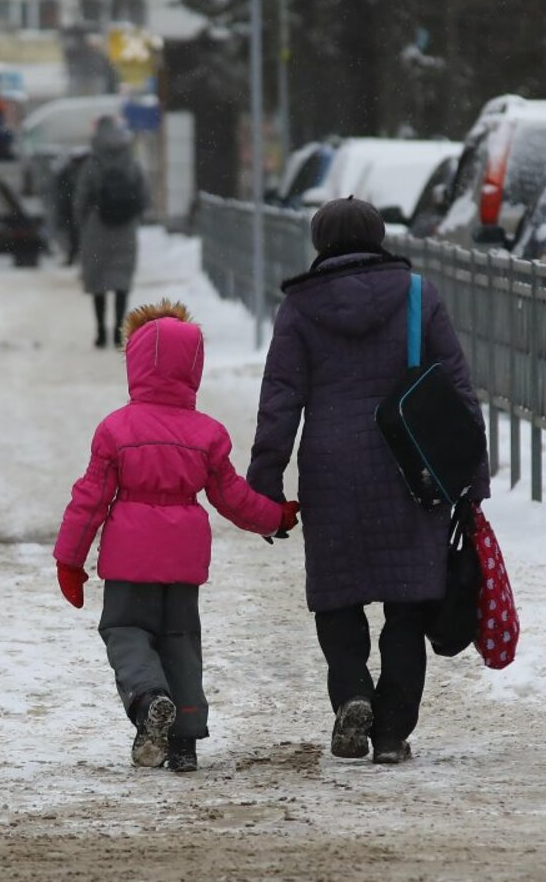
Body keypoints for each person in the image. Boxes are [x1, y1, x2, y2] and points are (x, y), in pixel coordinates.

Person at [246, 196, 490, 765]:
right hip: (410, 466)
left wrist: (264, 484)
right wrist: (471, 478)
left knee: (338, 596)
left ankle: (352, 692)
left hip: (332, 470)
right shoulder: (416, 296)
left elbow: (280, 400)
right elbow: (456, 388)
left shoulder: (300, 308)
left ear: (319, 244)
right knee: (407, 604)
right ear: (381, 236)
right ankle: (391, 731)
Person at [53, 301, 299, 773]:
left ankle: (149, 701)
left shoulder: (116, 430)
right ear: (194, 368)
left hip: (131, 558)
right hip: (184, 559)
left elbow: (90, 500)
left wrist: (70, 559)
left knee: (125, 631)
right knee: (181, 640)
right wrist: (275, 518)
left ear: (136, 362)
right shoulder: (207, 434)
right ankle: (184, 739)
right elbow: (233, 499)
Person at [74, 116, 148, 349]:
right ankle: (118, 331)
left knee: (99, 281)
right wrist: (135, 214)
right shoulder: (131, 162)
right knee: (121, 281)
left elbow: (81, 197)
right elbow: (144, 195)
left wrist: (82, 222)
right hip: (125, 228)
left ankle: (100, 332)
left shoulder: (92, 163)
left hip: (97, 228)